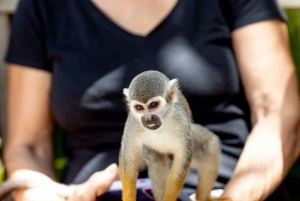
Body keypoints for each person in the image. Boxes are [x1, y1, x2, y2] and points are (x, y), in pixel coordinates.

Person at [3, 0, 300, 200]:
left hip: (224, 187)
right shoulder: (45, 6)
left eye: (154, 106)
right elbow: (27, 146)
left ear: (171, 94)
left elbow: (278, 114)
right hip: (96, 190)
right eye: (139, 109)